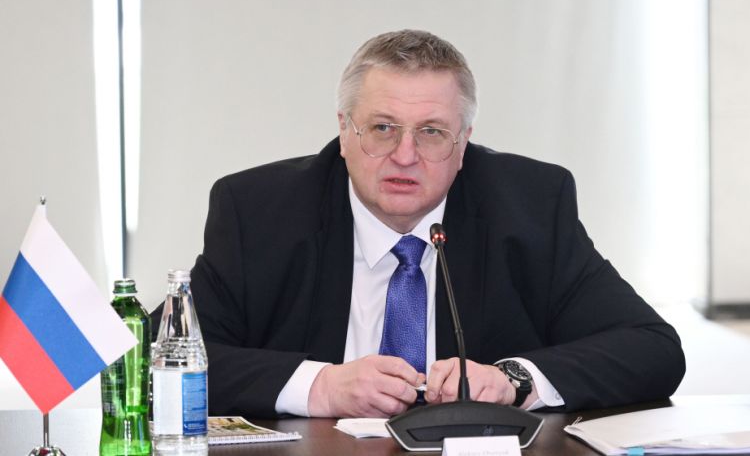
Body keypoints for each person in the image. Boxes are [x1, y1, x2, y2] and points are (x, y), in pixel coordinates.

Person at [182, 29, 685, 419]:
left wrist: (513, 380)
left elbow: (651, 348)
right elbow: (173, 358)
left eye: (431, 132)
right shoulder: (259, 212)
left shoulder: (529, 207)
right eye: (382, 128)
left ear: (463, 142)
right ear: (344, 131)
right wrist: (320, 387)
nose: (405, 155)